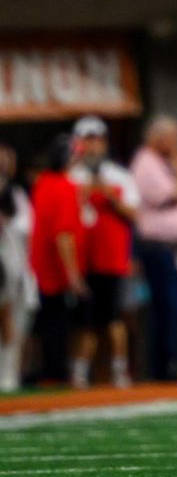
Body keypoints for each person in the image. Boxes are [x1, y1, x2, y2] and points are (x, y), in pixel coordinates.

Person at [68, 116, 139, 389]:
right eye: (88, 141)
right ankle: (80, 372)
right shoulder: (71, 176)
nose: (93, 147)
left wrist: (109, 195)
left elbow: (134, 214)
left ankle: (119, 371)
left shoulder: (119, 176)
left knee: (114, 318)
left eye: (97, 140)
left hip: (112, 259)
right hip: (82, 259)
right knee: (83, 321)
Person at [130, 115, 177, 380]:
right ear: (157, 138)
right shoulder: (146, 162)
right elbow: (176, 195)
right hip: (161, 248)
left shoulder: (165, 163)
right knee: (167, 308)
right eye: (173, 138)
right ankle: (164, 370)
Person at [29, 134, 86, 384]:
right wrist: (73, 274)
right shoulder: (64, 186)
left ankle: (46, 372)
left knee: (44, 324)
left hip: (39, 266)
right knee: (58, 326)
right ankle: (56, 374)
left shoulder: (43, 182)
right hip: (55, 271)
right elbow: (63, 234)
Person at [0, 144, 35, 391]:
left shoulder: (17, 194)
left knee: (15, 321)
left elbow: (26, 230)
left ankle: (9, 373)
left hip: (14, 266)